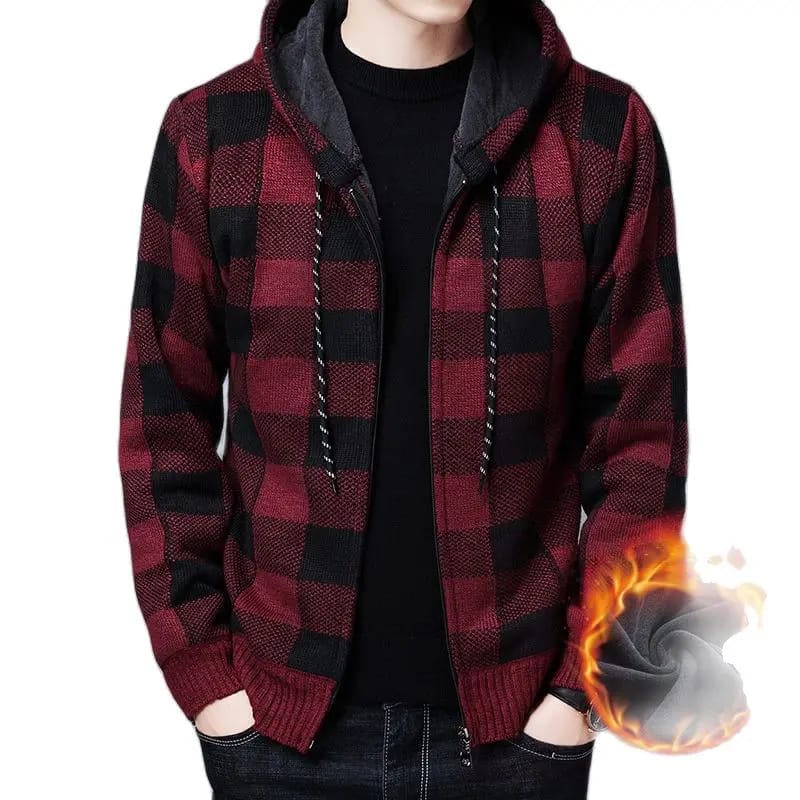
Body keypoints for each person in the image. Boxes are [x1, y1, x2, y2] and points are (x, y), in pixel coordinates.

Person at [117, 0, 687, 796]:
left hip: (521, 738)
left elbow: (641, 443)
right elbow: (162, 426)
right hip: (277, 734)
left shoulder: (601, 134)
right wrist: (206, 676)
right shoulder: (214, 134)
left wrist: (581, 692)